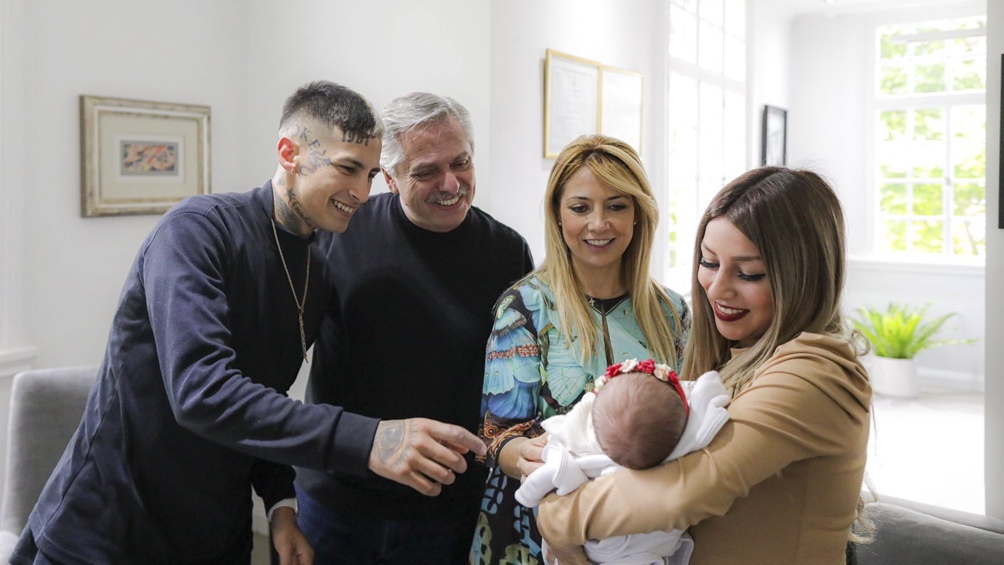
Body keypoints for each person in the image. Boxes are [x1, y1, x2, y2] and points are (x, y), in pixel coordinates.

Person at [10, 81, 487, 565]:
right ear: (289, 153)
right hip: (108, 531)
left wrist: (280, 503)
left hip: (216, 535)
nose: (363, 193)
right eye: (346, 169)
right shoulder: (195, 231)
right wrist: (370, 439)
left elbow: (262, 394)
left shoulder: (316, 262)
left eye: (368, 174)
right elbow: (202, 390)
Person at [537, 166, 873, 565]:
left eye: (748, 273)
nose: (717, 288)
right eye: (709, 262)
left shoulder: (816, 374)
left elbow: (682, 491)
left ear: (803, 277)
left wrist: (555, 516)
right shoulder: (734, 354)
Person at [293, 92, 535, 564]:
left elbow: (515, 386)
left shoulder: (508, 252)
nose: (451, 183)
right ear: (389, 178)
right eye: (426, 171)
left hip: (449, 509)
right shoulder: (339, 234)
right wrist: (279, 498)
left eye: (461, 162)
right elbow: (276, 363)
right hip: (338, 502)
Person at [471, 134, 690, 564]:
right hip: (530, 534)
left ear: (638, 215)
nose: (598, 224)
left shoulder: (672, 312)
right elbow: (499, 437)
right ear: (557, 215)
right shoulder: (524, 307)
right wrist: (565, 464)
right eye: (580, 207)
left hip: (640, 529)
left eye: (616, 206)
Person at [514, 360, 729, 565]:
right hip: (649, 543)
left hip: (600, 544)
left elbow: (551, 474)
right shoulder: (685, 443)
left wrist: (530, 493)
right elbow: (709, 394)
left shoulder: (581, 450)